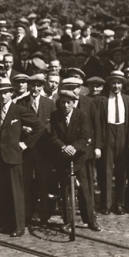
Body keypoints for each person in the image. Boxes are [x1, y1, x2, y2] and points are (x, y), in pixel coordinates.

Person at [0, 79, 43, 237]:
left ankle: (19, 226)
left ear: (11, 93)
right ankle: (5, 224)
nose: (3, 96)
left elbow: (39, 126)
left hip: (14, 157)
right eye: (0, 93)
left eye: (5, 93)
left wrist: (26, 145)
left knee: (16, 192)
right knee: (2, 192)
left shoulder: (19, 110)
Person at [49, 90, 101, 232]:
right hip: (62, 156)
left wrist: (74, 147)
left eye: (68, 102)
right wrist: (64, 147)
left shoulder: (81, 115)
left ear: (74, 103)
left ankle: (90, 220)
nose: (65, 105)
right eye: (63, 102)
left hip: (79, 157)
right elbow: (53, 137)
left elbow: (86, 136)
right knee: (65, 189)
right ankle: (67, 221)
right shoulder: (55, 116)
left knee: (84, 189)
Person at [15, 74, 56, 225]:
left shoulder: (49, 103)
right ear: (28, 86)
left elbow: (53, 125)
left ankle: (44, 214)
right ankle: (27, 214)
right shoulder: (21, 102)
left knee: (43, 180)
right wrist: (22, 128)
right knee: (26, 181)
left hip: (43, 148)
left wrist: (42, 131)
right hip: (25, 148)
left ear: (43, 87)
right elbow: (15, 123)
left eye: (39, 86)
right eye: (33, 86)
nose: (35, 89)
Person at [96, 71, 129, 215]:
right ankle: (106, 205)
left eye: (119, 83)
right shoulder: (102, 100)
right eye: (113, 82)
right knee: (106, 171)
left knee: (121, 171)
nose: (116, 85)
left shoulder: (128, 100)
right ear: (109, 84)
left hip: (122, 134)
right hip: (108, 134)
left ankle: (119, 203)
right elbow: (99, 124)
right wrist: (99, 145)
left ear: (122, 84)